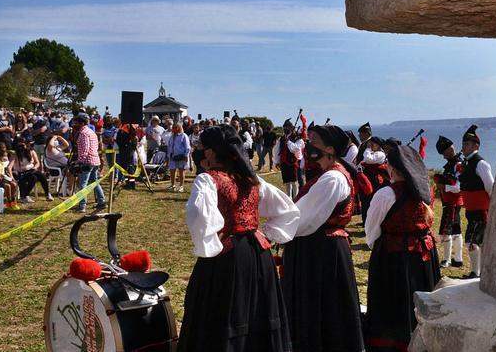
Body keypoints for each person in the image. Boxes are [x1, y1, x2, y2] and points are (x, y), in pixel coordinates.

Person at [179, 124, 299, 352]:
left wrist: (211, 245)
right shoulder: (252, 180)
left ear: (212, 152)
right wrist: (267, 234)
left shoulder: (208, 180)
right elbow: (287, 210)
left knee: (225, 314)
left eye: (202, 147)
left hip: (227, 255)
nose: (199, 151)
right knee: (256, 310)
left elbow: (199, 218)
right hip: (258, 252)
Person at [282, 124, 365, 352]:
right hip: (318, 246)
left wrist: (279, 229)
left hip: (321, 251)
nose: (309, 146)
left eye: (314, 142)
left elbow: (304, 218)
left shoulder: (333, 179)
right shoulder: (327, 175)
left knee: (322, 307)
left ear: (329, 149)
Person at [364, 145, 440, 350]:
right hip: (424, 258)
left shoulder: (386, 194)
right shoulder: (425, 192)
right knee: (421, 301)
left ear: (393, 169)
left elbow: (371, 232)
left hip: (394, 259)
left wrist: (380, 247)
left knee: (394, 306)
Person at [459, 125, 494, 278]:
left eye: (467, 144)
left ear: (476, 146)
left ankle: (477, 273)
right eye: (463, 144)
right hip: (471, 210)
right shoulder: (467, 164)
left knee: (474, 242)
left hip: (481, 209)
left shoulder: (481, 164)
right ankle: (477, 272)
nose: (463, 147)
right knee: (475, 242)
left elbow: (490, 187)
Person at [433, 136, 464, 268]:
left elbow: (458, 187)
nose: (444, 156)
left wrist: (443, 187)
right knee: (456, 231)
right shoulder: (454, 164)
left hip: (452, 202)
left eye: (444, 153)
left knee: (447, 231)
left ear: (449, 150)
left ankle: (447, 260)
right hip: (452, 202)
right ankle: (458, 259)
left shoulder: (458, 165)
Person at [72, 115, 106, 213]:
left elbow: (85, 148)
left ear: (82, 123)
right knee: (94, 182)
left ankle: (82, 206)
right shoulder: (91, 132)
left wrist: (80, 160)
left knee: (83, 183)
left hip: (87, 161)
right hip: (95, 160)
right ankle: (101, 201)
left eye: (76, 123)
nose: (74, 125)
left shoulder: (83, 133)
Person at [274, 120, 304, 198]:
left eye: (287, 127)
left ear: (291, 128)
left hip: (293, 162)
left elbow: (295, 149)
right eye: (284, 127)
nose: (285, 129)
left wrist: (289, 142)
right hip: (284, 163)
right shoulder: (281, 139)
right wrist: (277, 161)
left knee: (294, 182)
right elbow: (277, 150)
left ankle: (295, 198)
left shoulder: (297, 137)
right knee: (287, 182)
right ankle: (289, 198)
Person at [167, 123, 191, 192]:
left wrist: (186, 155)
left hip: (181, 156)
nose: (173, 129)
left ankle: (181, 186)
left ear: (179, 128)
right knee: (172, 171)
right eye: (173, 127)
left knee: (181, 171)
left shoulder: (184, 136)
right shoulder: (171, 137)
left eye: (175, 127)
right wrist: (169, 155)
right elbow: (169, 146)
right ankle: (172, 185)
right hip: (172, 156)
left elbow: (187, 147)